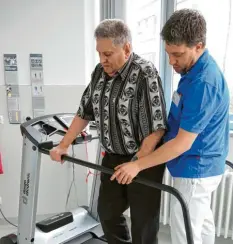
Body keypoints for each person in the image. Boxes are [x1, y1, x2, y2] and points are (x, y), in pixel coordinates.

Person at [111, 9, 230, 244]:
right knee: (201, 223)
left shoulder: (203, 83)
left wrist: (138, 166)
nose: (171, 61)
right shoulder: (193, 70)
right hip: (201, 164)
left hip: (196, 167)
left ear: (199, 45)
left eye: (177, 54)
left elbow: (182, 143)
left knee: (184, 231)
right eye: (168, 53)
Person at [50, 19, 167, 244]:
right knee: (108, 214)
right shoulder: (99, 72)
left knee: (143, 223)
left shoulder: (145, 72)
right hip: (112, 158)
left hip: (143, 159)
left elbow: (157, 128)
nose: (103, 60)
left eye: (108, 54)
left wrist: (136, 163)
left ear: (126, 48)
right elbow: (84, 111)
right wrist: (64, 145)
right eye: (99, 53)